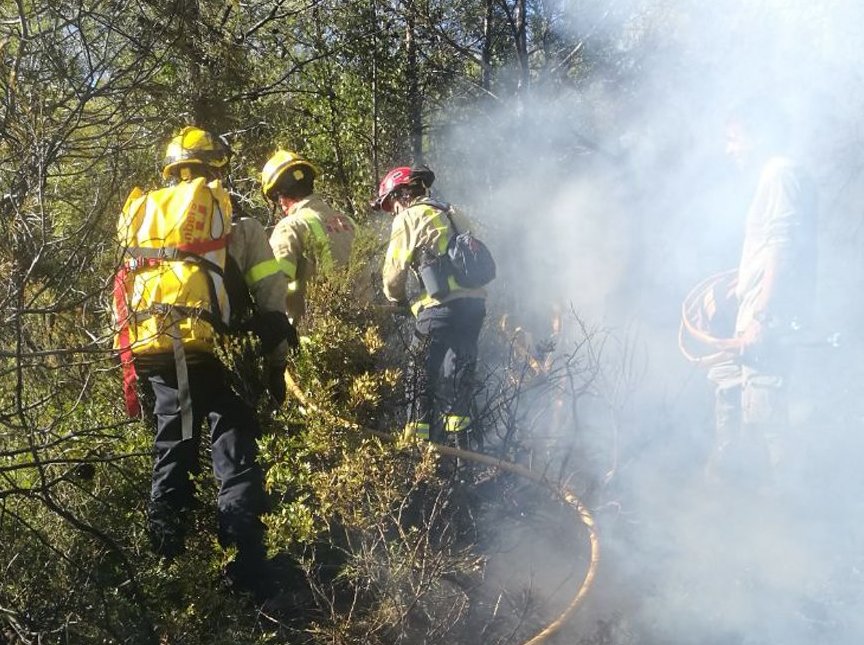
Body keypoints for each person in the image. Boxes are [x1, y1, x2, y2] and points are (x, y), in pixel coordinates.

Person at [112, 126, 296, 599]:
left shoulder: (141, 216)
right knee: (233, 453)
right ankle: (246, 572)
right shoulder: (234, 221)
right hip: (211, 352)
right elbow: (272, 297)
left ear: (172, 169)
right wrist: (275, 363)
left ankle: (166, 572)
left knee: (172, 448)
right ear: (217, 167)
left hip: (152, 347)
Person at [705, 100, 817, 488]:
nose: (729, 149)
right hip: (756, 318)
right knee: (731, 396)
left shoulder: (779, 173)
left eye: (734, 139)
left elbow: (784, 248)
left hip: (768, 324)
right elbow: (770, 248)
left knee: (770, 424)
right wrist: (741, 285)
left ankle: (785, 518)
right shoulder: (775, 176)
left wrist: (762, 316)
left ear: (758, 136)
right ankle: (730, 504)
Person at [373, 165, 487, 444]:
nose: (394, 212)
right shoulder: (453, 211)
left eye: (392, 205)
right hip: (474, 307)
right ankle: (462, 450)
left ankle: (417, 449)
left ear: (402, 195)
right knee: (458, 375)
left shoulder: (409, 217)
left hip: (439, 309)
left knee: (419, 375)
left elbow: (393, 275)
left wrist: (397, 299)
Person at [261, 150, 358, 324]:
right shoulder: (349, 222)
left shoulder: (290, 226)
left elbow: (275, 285)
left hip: (320, 335)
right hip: (370, 330)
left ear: (281, 196)